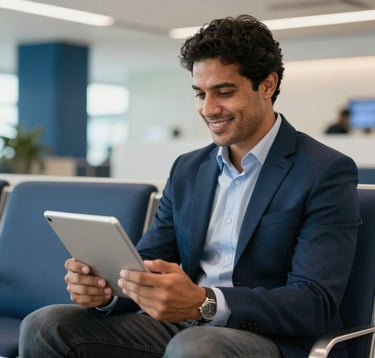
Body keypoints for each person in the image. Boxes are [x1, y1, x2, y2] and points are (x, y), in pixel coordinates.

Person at [19, 15, 360, 358]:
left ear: (267, 85)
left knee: (196, 347)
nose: (209, 109)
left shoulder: (324, 171)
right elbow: (147, 262)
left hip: (271, 338)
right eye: (200, 94)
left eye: (224, 92)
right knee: (46, 325)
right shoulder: (188, 169)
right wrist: (107, 292)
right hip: (186, 328)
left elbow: (313, 302)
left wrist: (206, 302)